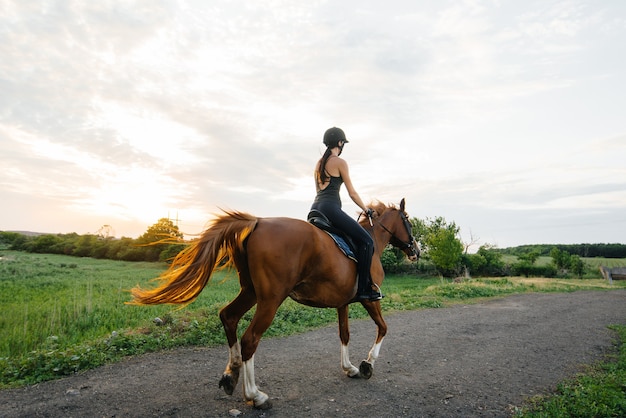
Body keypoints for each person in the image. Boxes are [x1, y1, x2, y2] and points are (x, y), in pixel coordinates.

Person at [310, 127, 383, 301]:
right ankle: (364, 289)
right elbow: (352, 193)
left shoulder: (318, 163)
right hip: (331, 209)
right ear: (340, 143)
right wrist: (366, 210)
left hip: (315, 208)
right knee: (366, 241)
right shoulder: (340, 162)